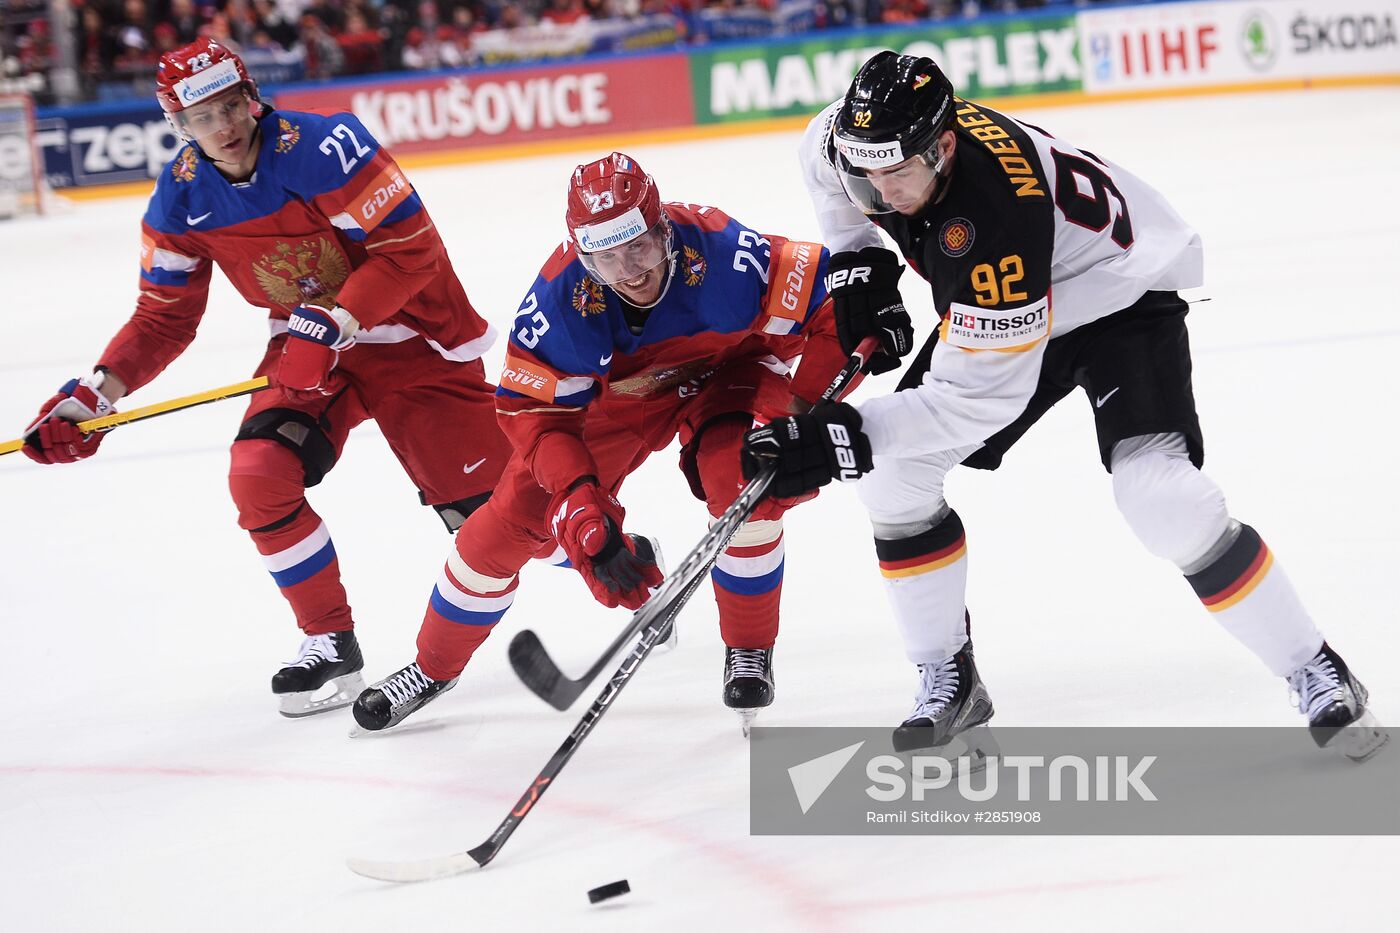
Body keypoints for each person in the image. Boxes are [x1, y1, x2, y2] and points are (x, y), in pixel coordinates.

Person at [742, 50, 1387, 761]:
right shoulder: (858, 143)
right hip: (1020, 300)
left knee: (1161, 498)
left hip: (1114, 295)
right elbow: (821, 155)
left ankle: (1313, 664)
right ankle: (948, 676)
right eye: (867, 172)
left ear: (944, 146)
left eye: (899, 174)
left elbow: (971, 405)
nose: (881, 189)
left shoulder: (991, 224)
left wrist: (845, 436)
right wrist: (854, 256)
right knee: (893, 480)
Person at [20, 38, 511, 718]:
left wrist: (339, 319)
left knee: (497, 524)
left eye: (229, 105)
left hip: (411, 337)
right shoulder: (181, 199)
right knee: (258, 471)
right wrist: (94, 393)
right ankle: (328, 638)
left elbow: (411, 251)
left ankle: (610, 552)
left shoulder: (327, 146)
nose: (222, 126)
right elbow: (163, 319)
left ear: (250, 96)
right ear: (178, 125)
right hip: (310, 349)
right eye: (201, 117)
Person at [351, 151, 852, 733]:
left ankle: (748, 647)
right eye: (605, 256)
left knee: (743, 485)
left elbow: (834, 300)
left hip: (728, 374)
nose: (629, 271)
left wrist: (803, 414)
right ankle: (432, 668)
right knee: (499, 530)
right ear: (582, 252)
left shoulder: (727, 252)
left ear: (663, 227)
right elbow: (537, 419)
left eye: (637, 246)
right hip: (620, 402)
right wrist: (583, 511)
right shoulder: (558, 303)